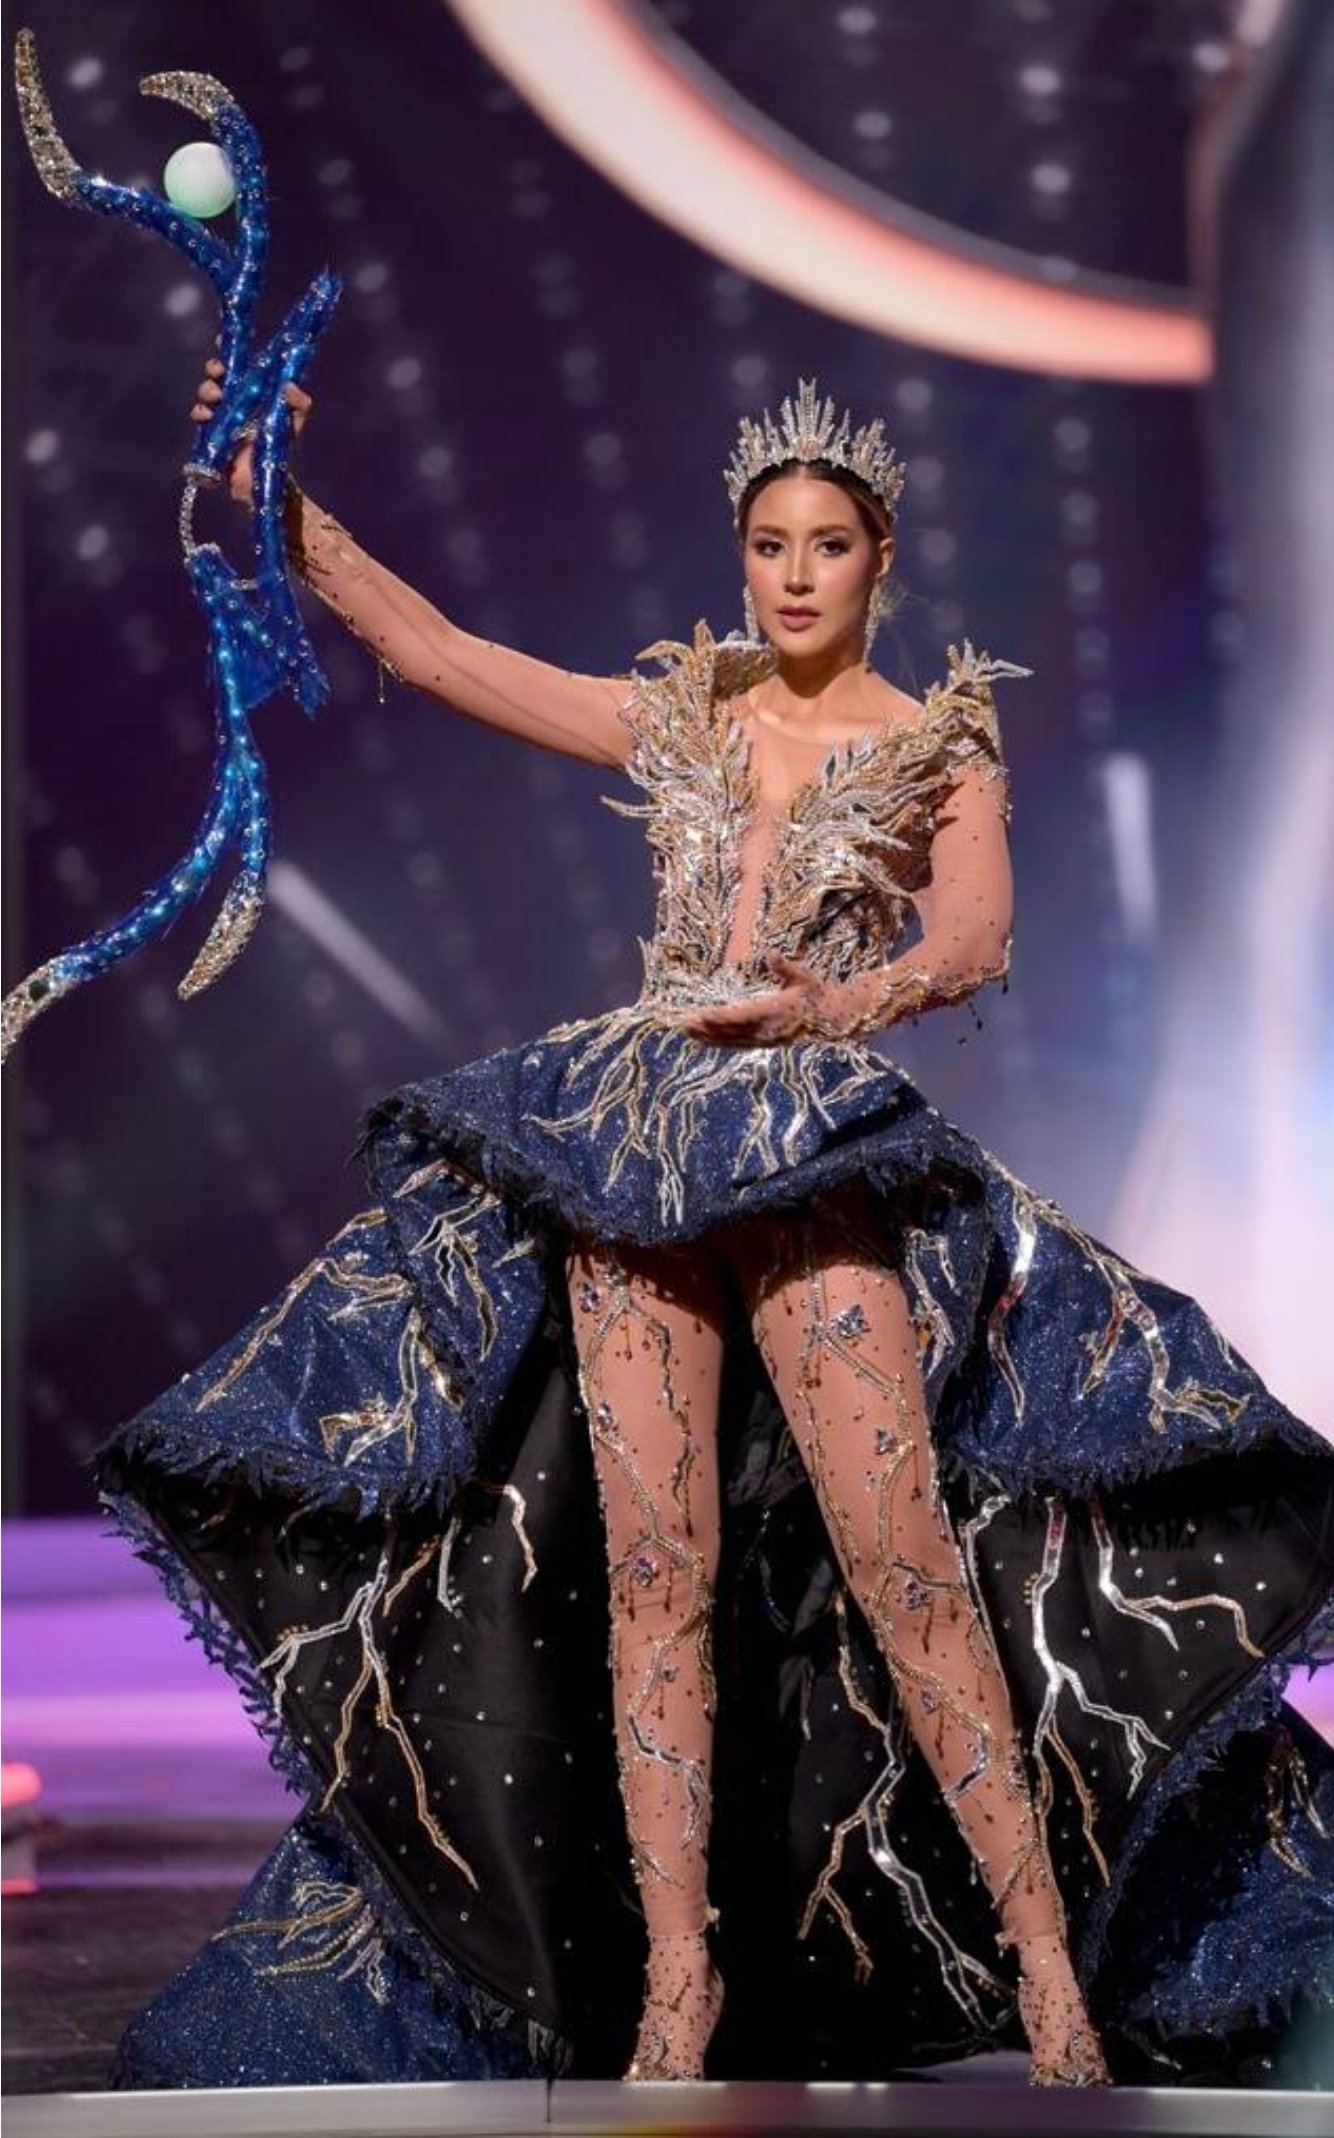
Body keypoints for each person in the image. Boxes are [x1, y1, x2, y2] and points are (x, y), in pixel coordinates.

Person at [93, 374, 1334, 2093]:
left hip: (805, 1138)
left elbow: (974, 934)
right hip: (635, 1139)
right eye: (768, 546)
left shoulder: (932, 743)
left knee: (903, 1561)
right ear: (738, 557)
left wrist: (836, 1000)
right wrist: (276, 489)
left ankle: (1048, 1965)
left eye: (826, 546)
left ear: (879, 559)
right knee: (655, 1573)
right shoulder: (679, 713)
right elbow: (442, 653)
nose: (794, 575)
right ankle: (678, 1976)